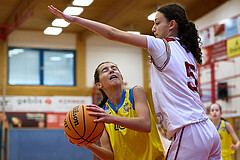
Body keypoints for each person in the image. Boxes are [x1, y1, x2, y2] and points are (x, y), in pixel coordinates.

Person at [48, 3, 221, 159]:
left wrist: (74, 19)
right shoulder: (188, 52)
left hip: (189, 130)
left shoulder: (162, 46)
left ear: (171, 24)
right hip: (208, 130)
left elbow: (112, 33)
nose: (153, 28)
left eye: (157, 22)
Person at [80, 62, 165, 160]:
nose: (111, 70)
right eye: (105, 70)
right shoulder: (102, 114)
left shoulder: (135, 92)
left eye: (114, 68)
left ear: (122, 78)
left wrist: (112, 118)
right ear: (99, 85)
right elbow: (110, 156)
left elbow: (145, 124)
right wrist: (88, 145)